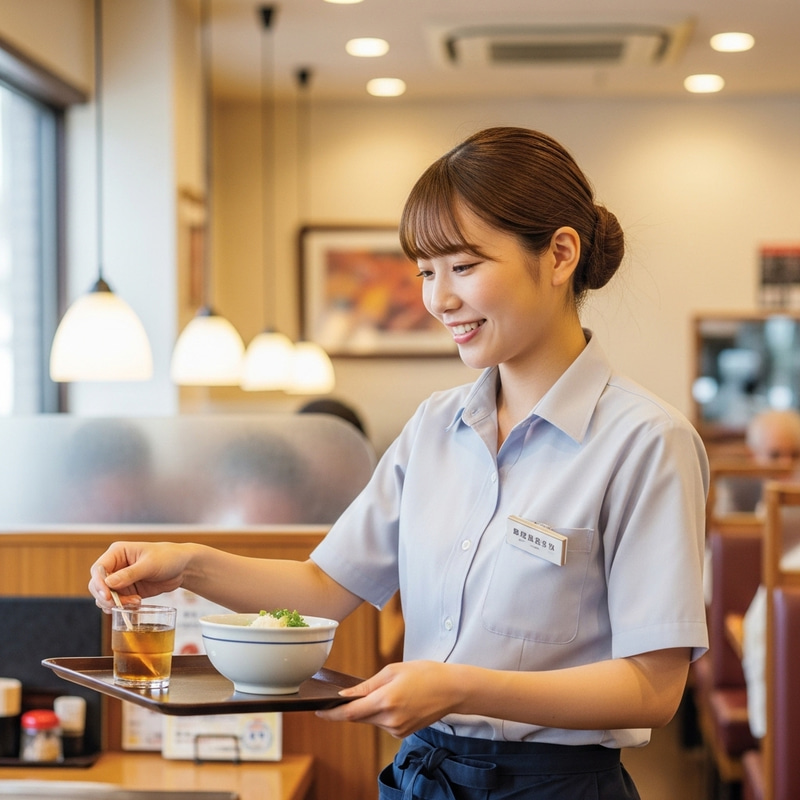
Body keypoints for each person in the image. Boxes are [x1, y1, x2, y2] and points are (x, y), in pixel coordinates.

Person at [89, 127, 709, 799]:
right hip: (422, 777)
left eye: (464, 267)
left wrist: (461, 687)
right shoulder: (434, 428)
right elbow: (326, 586)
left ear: (560, 254)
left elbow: (653, 688)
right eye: (425, 272)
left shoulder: (647, 442)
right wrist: (189, 565)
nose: (439, 300)